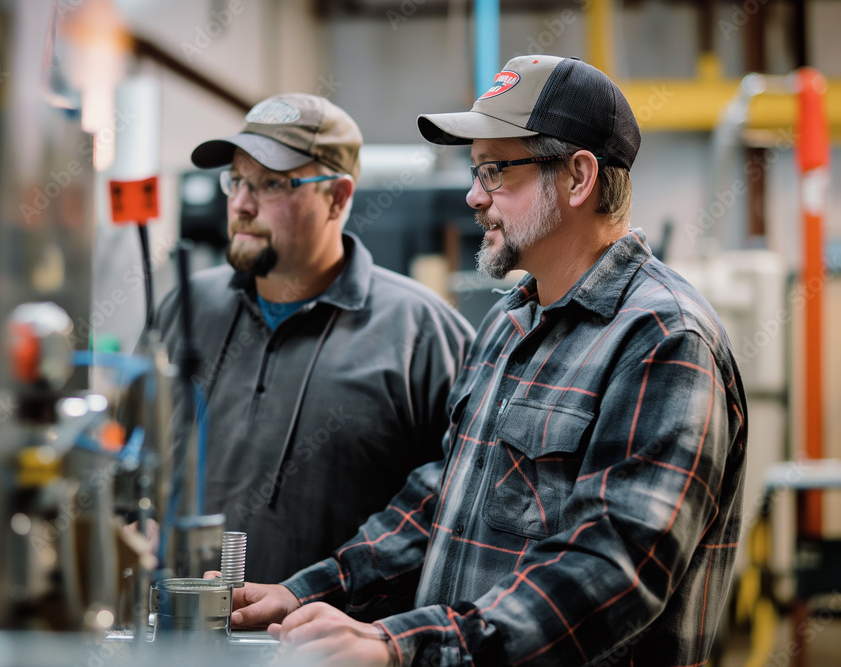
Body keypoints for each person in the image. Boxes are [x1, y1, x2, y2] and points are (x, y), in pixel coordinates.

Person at [221, 56, 748, 666]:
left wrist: (404, 646)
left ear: (578, 178)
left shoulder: (664, 340)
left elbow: (609, 572)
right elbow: (438, 502)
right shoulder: (509, 323)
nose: (474, 196)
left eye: (495, 171)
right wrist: (303, 593)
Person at [156, 93, 475, 585]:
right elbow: (133, 450)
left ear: (339, 197)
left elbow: (456, 508)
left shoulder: (423, 334)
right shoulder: (187, 308)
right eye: (236, 180)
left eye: (271, 184)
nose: (241, 203)